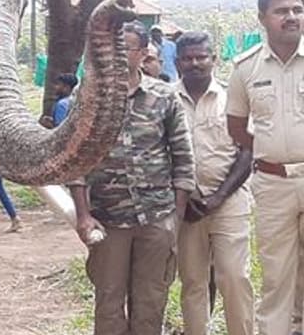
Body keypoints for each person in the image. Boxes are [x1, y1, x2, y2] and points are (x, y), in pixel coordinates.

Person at [70, 21, 194, 335]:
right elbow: (76, 160)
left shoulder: (164, 96)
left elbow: (182, 157)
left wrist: (174, 219)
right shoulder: (89, 97)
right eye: (113, 49)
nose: (117, 56)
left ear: (143, 53)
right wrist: (83, 216)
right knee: (109, 304)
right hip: (107, 220)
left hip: (156, 217)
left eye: (125, 49)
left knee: (151, 302)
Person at [227, 0, 304, 335]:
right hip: (272, 184)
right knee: (277, 274)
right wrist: (270, 153)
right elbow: (237, 127)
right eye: (281, 11)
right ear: (263, 18)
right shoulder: (246, 68)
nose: (291, 17)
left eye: (297, 9)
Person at [172, 31, 253, 335]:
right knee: (192, 282)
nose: (195, 63)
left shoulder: (234, 98)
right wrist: (183, 197)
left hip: (229, 202)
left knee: (233, 277)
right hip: (186, 207)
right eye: (188, 58)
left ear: (213, 59)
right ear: (178, 62)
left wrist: (218, 197)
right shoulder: (166, 100)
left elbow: (248, 151)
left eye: (201, 57)